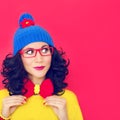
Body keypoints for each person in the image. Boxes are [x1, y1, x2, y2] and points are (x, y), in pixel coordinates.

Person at [0, 13, 83, 120]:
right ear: (19, 58)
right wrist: (3, 116)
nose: (39, 59)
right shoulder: (3, 99)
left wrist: (64, 118)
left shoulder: (68, 99)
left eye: (44, 50)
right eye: (30, 52)